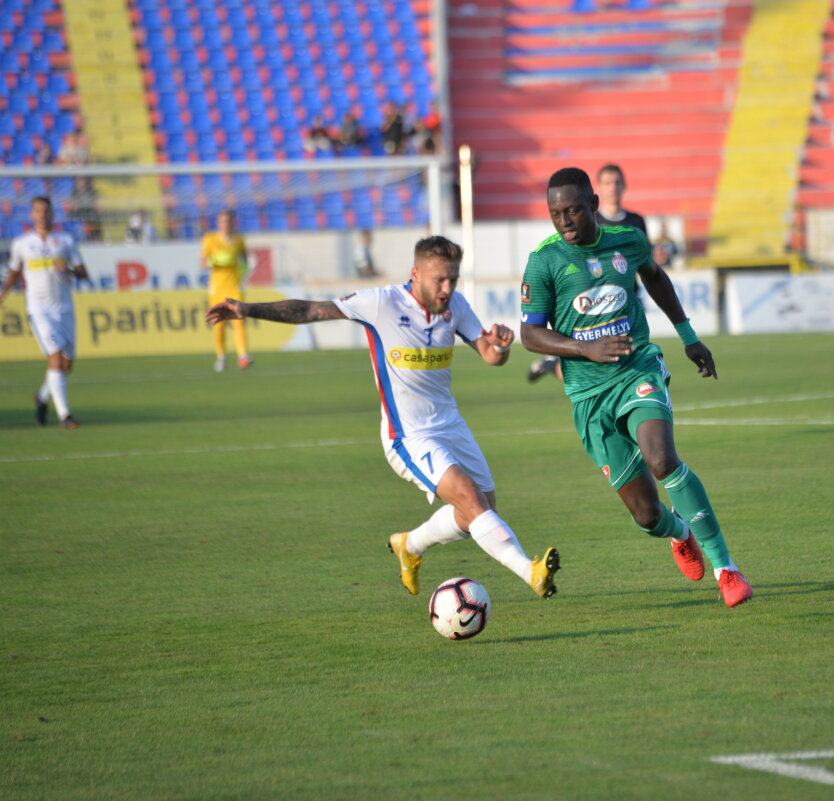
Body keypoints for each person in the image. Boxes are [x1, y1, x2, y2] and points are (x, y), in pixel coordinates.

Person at [205, 236, 560, 599]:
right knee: (470, 499)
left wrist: (500, 345)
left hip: (451, 424)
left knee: (480, 512)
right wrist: (247, 310)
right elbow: (310, 310)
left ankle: (411, 545)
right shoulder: (381, 303)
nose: (446, 288)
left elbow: (490, 356)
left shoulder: (456, 306)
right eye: (439, 279)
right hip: (407, 435)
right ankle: (530, 572)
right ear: (415, 273)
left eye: (452, 279)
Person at [520, 167, 752, 608]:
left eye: (572, 210)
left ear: (592, 202)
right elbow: (530, 335)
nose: (565, 221)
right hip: (588, 396)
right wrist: (582, 349)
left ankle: (727, 569)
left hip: (636, 369)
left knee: (662, 459)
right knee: (646, 515)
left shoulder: (627, 239)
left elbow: (655, 279)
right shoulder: (544, 259)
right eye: (555, 214)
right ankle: (681, 533)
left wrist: (689, 338)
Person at [528, 163, 648, 384]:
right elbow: (529, 332)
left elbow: (648, 266)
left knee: (629, 355)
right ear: (599, 190)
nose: (613, 188)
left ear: (624, 186)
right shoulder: (585, 223)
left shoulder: (635, 224)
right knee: (592, 361)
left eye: (617, 183)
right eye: (607, 183)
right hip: (592, 308)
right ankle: (553, 365)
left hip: (627, 299)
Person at [0, 196, 89, 428]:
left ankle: (42, 398)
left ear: (53, 214)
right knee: (56, 356)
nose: (43, 215)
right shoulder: (22, 244)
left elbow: (83, 273)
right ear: (32, 214)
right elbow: (13, 273)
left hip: (64, 308)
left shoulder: (65, 241)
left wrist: (69, 269)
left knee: (66, 366)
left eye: (46, 211)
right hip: (39, 309)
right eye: (38, 211)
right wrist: (3, 293)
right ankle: (64, 415)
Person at [201, 210, 252, 371]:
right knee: (219, 323)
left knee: (239, 321)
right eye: (223, 221)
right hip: (216, 288)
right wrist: (215, 260)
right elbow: (202, 263)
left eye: (228, 221)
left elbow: (245, 261)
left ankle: (243, 356)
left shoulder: (239, 240)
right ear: (218, 223)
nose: (225, 224)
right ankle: (221, 357)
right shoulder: (210, 239)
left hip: (234, 287)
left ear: (233, 222)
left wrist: (242, 273)